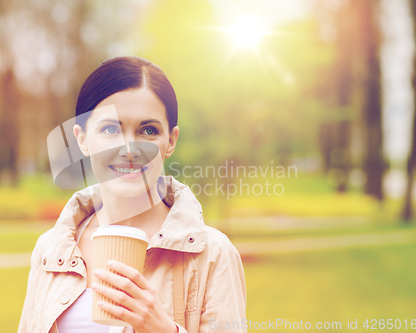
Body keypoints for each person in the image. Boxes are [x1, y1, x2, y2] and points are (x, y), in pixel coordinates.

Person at [17, 56, 247, 333]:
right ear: (82, 139)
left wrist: (163, 329)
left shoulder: (212, 254)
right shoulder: (51, 250)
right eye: (111, 129)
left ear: (170, 141)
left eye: (148, 130)